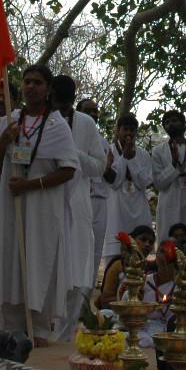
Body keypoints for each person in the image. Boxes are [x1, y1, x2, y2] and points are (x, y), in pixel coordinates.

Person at [0, 63, 79, 342]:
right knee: (11, 258)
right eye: (27, 81)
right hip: (11, 206)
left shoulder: (56, 124)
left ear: (48, 89)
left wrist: (29, 185)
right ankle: (12, 325)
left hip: (41, 208)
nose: (31, 87)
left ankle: (37, 327)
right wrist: (3, 142)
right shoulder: (10, 121)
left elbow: (68, 169)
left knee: (39, 260)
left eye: (37, 82)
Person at [54, 74, 109, 340]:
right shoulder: (41, 120)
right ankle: (43, 328)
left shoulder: (86, 124)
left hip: (77, 202)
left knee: (76, 266)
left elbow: (99, 167)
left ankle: (66, 331)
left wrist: (71, 152)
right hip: (44, 199)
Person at [101, 114, 153, 260]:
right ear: (118, 130)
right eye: (125, 129)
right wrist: (124, 158)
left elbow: (144, 183)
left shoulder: (143, 154)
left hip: (139, 206)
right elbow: (115, 183)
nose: (129, 133)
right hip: (116, 208)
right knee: (115, 257)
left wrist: (130, 160)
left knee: (138, 254)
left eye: (132, 130)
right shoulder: (109, 151)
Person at [140, 239, 186, 346]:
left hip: (176, 333)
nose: (164, 256)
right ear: (156, 255)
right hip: (145, 331)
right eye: (161, 251)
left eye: (169, 252)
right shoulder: (145, 282)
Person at [152, 110, 186, 243]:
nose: (171, 124)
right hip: (169, 202)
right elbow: (159, 184)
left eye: (174, 120)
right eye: (167, 122)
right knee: (169, 244)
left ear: (183, 123)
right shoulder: (158, 151)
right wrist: (174, 166)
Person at [77, 97, 113, 277]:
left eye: (95, 111)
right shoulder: (69, 136)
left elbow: (112, 177)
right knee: (77, 247)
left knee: (95, 250)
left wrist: (106, 167)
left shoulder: (104, 142)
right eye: (88, 110)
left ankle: (85, 299)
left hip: (99, 201)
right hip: (79, 198)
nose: (93, 114)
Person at [97, 224, 155, 310]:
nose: (147, 244)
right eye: (143, 239)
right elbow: (104, 301)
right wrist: (126, 299)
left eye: (151, 242)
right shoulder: (118, 265)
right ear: (132, 240)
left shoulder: (151, 267)